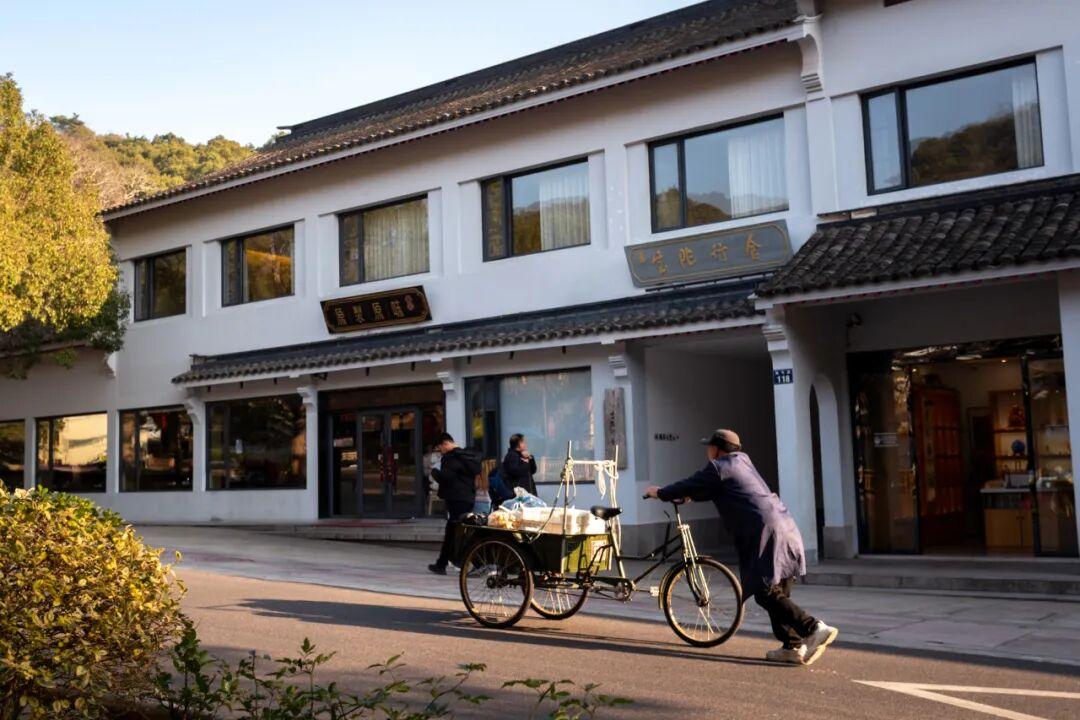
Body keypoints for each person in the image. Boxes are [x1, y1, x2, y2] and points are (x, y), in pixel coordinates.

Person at [645, 428, 838, 665]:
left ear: (716, 449)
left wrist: (660, 492)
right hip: (785, 526)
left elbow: (691, 483)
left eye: (709, 446)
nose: (707, 450)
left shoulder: (718, 467)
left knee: (764, 592)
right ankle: (792, 646)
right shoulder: (743, 462)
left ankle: (813, 628)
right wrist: (693, 496)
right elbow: (722, 489)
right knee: (777, 590)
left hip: (763, 531)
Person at [428, 432, 480, 576]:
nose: (441, 451)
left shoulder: (450, 457)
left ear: (445, 444)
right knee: (456, 531)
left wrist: (434, 472)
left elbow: (446, 478)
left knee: (456, 532)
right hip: (468, 498)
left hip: (456, 499)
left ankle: (476, 563)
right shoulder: (466, 455)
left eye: (440, 448)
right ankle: (442, 563)